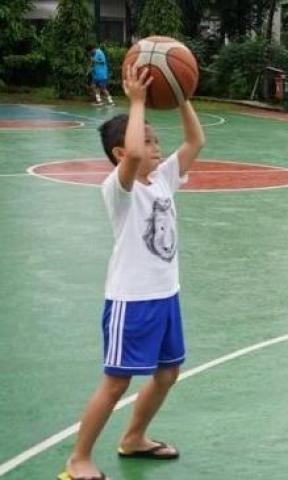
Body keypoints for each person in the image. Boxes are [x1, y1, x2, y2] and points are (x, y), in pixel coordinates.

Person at [57, 63, 205, 480]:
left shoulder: (161, 180)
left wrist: (181, 96)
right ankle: (78, 459)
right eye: (146, 139)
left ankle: (133, 437)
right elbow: (136, 153)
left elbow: (196, 139)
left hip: (165, 295)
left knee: (168, 372)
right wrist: (137, 100)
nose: (154, 146)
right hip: (132, 300)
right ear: (120, 154)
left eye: (156, 140)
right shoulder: (118, 189)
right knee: (117, 381)